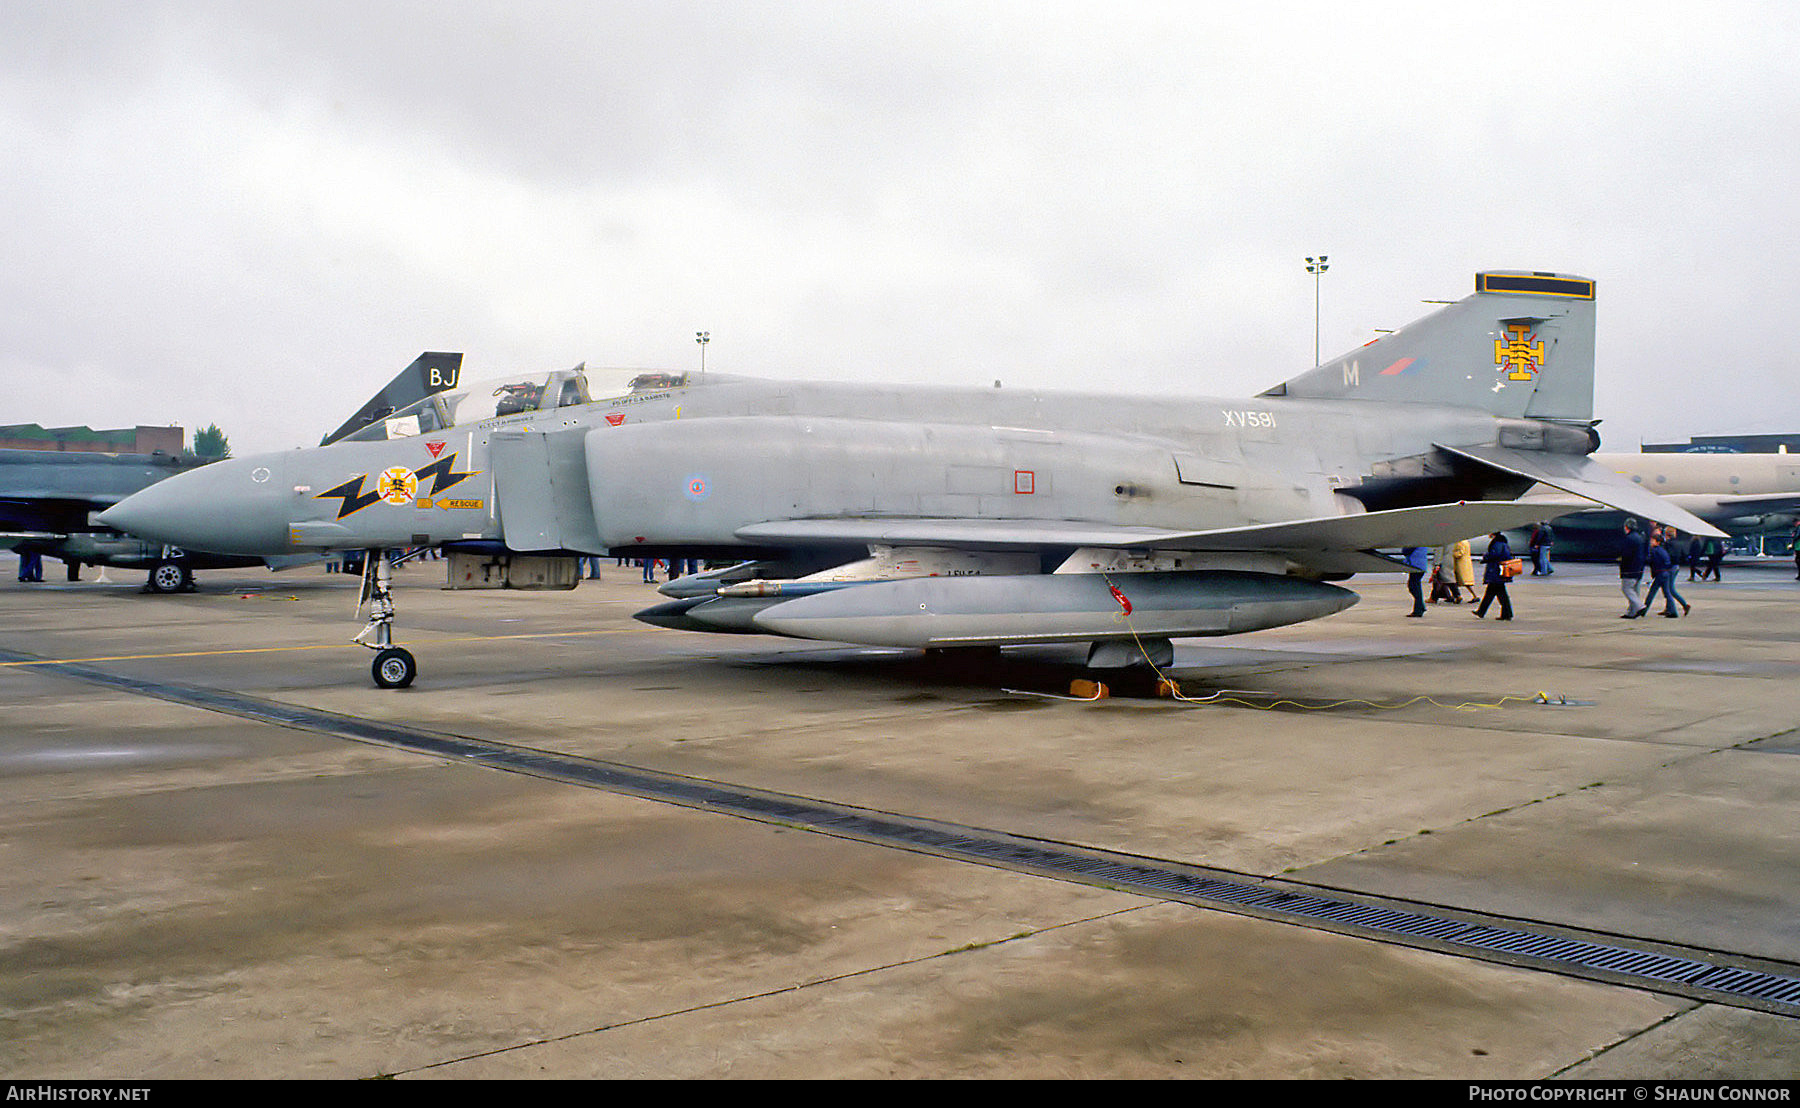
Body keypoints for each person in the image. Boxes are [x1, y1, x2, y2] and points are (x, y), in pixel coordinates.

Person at [1641, 532, 1691, 618]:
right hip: (1667, 571)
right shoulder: (1664, 549)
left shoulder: (1657, 550)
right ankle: (1674, 610)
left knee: (1655, 592)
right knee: (1668, 592)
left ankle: (1644, 609)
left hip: (1661, 572)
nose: (1651, 542)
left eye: (1652, 540)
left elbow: (1652, 561)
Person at [1473, 531, 1514, 620]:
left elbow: (1495, 554)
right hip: (1498, 572)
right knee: (1494, 593)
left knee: (1497, 594)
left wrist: (1486, 556)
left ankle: (1505, 614)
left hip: (1495, 571)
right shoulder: (1503, 543)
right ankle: (1482, 612)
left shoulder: (1497, 543)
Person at [1618, 518, 1648, 618]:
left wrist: (1621, 563)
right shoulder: (1640, 538)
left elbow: (1626, 554)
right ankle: (1632, 612)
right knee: (1635, 590)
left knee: (1626, 589)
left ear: (1627, 527)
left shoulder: (1629, 539)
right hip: (1639, 568)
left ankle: (1640, 606)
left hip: (1630, 568)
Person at [1452, 538, 1479, 602]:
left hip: (1461, 564)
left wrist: (1452, 553)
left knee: (1461, 581)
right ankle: (1456, 596)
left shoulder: (1459, 542)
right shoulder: (1466, 541)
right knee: (1464, 581)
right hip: (1466, 563)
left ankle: (1458, 596)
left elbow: (1459, 553)